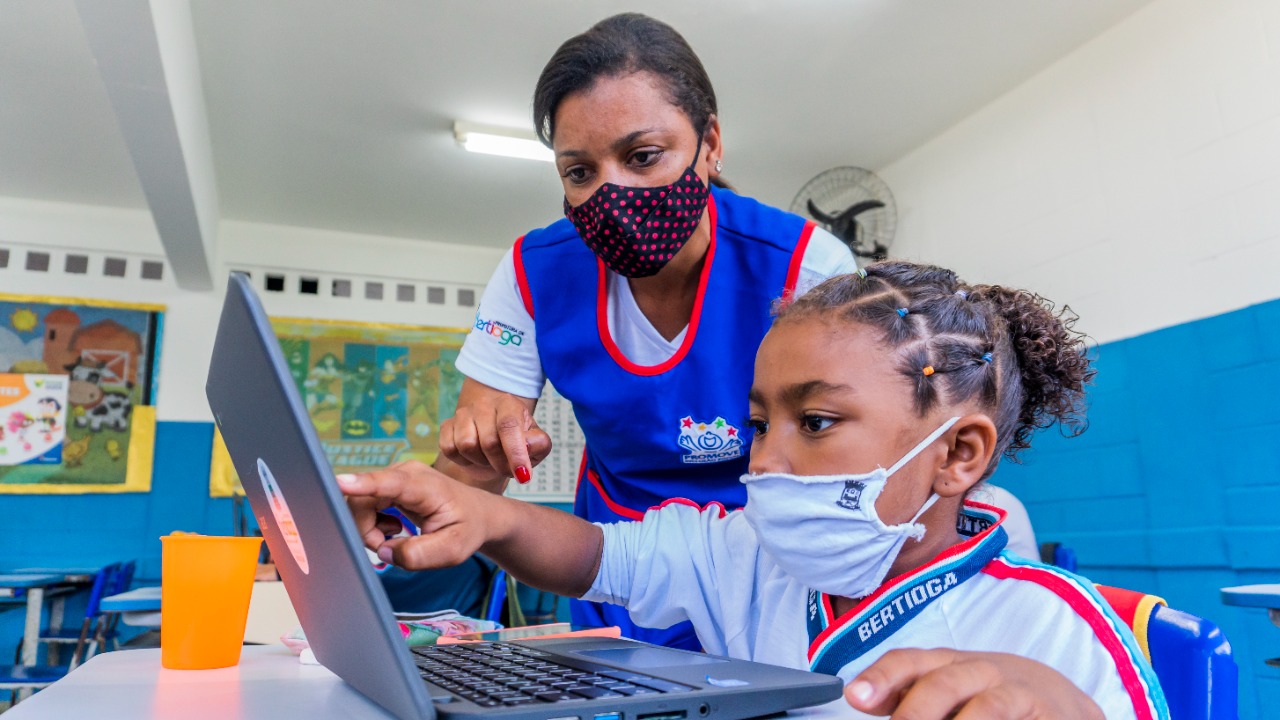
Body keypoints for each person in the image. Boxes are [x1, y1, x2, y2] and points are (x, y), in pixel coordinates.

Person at [341, 261, 1168, 719]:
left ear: (957, 456)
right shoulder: (747, 554)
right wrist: (477, 511)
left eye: (813, 423)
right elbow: (597, 553)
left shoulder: (1058, 629)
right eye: (758, 423)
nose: (764, 459)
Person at [431, 12, 856, 648]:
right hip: (611, 573)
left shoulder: (806, 266)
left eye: (643, 156)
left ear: (710, 143)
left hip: (764, 583)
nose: (612, 192)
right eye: (580, 172)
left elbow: (842, 462)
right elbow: (470, 475)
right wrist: (460, 468)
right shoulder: (534, 273)